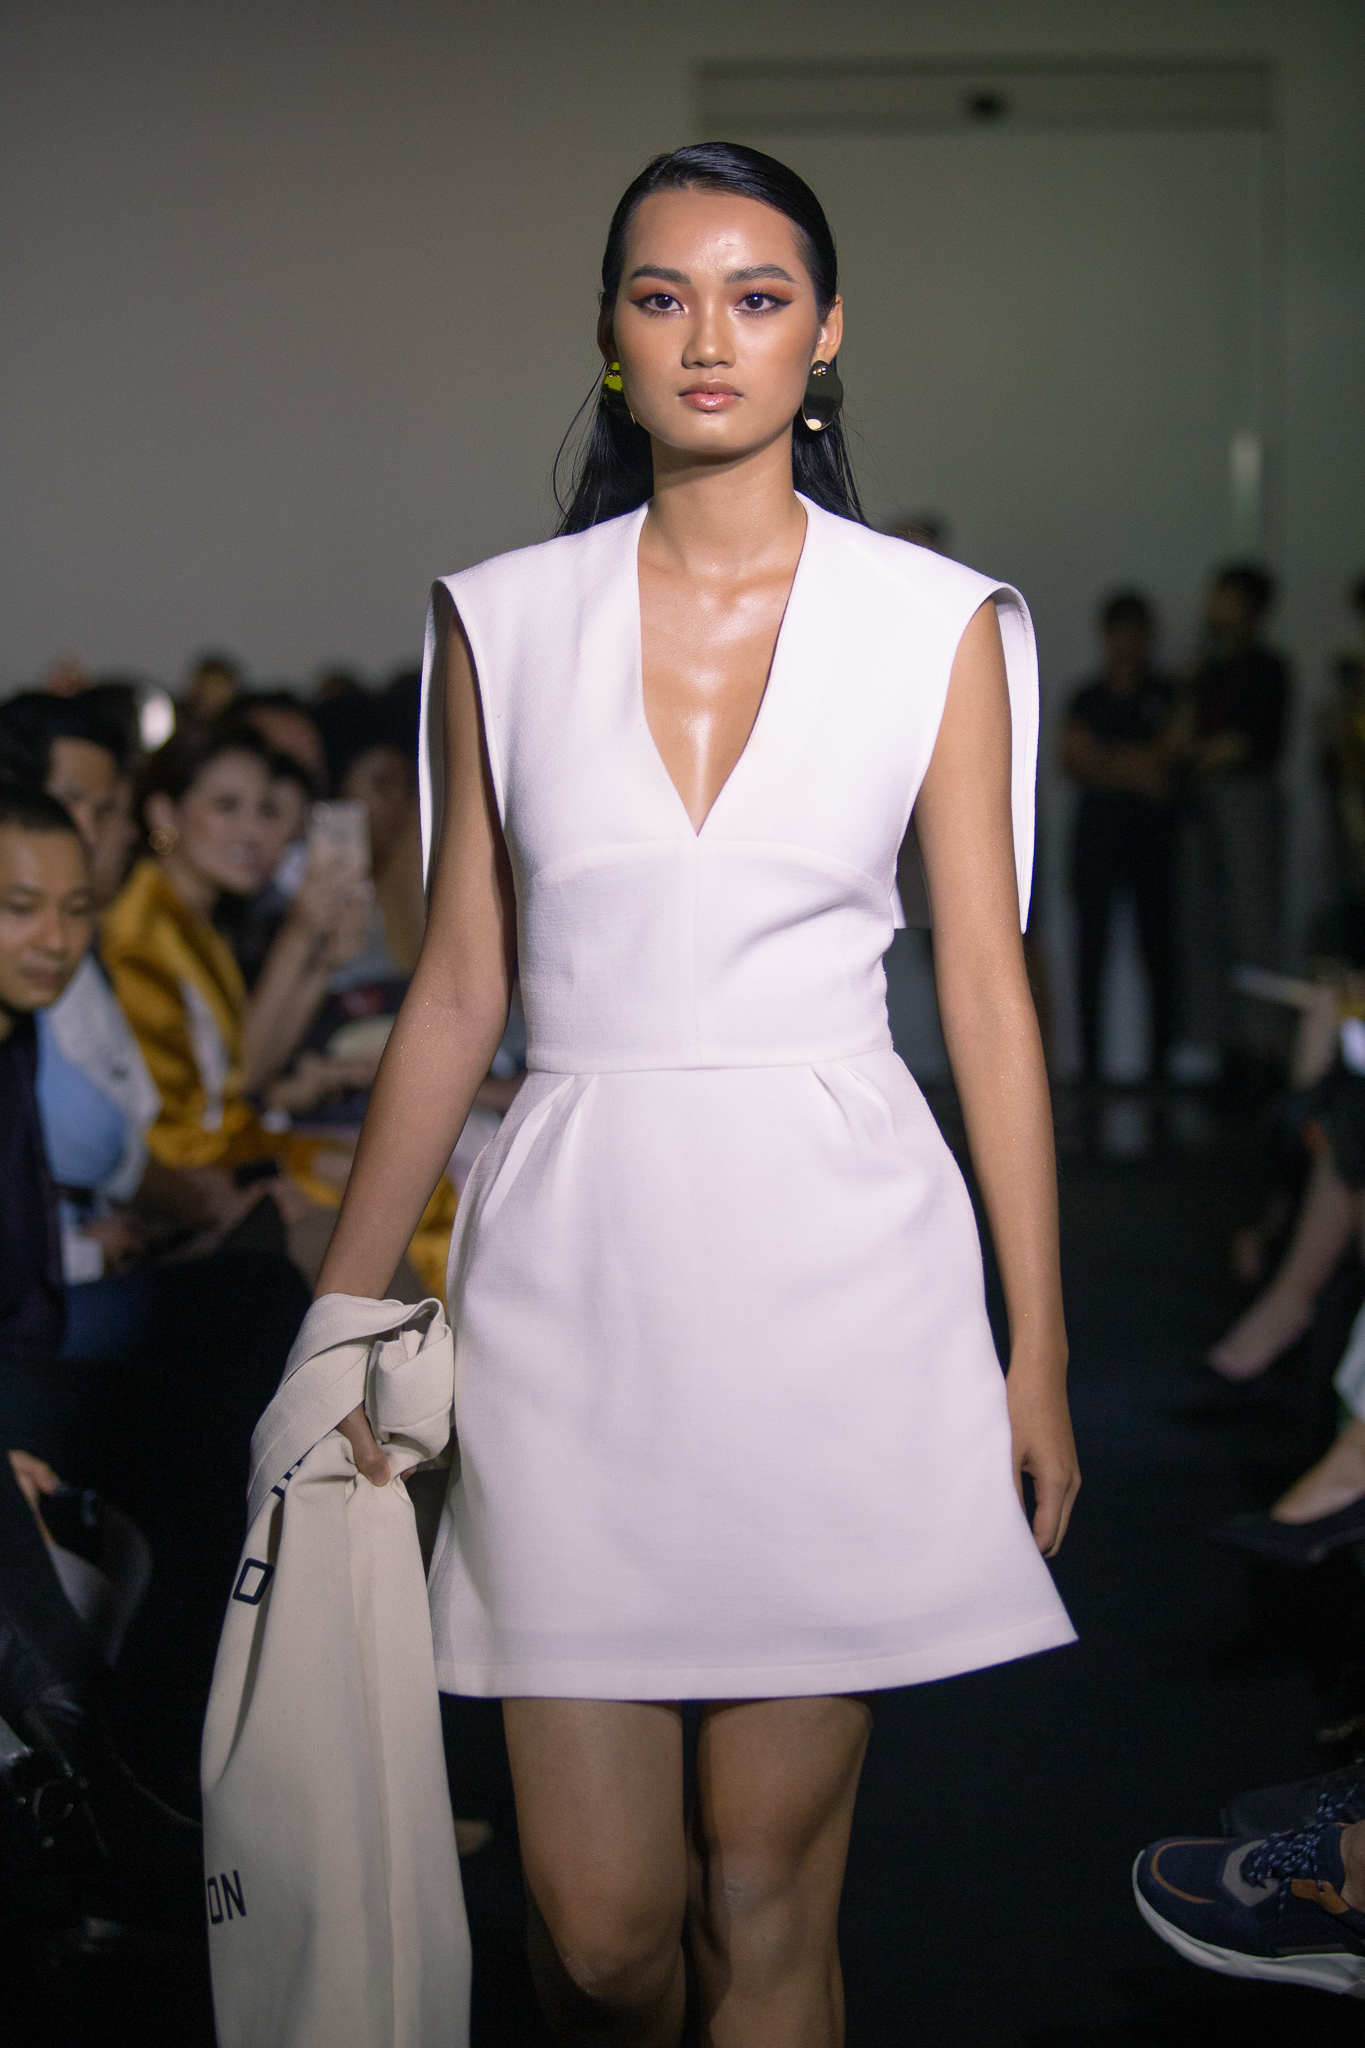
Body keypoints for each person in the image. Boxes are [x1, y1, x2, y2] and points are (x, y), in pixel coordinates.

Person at [309, 141, 1078, 2044]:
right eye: (664, 297)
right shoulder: (501, 619)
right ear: (610, 335)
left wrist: (1037, 1346)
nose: (709, 337)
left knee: (763, 1893)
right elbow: (461, 990)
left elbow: (987, 994)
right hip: (574, 1278)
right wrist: (338, 1315)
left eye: (756, 296)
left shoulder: (935, 623)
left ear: (826, 334)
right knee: (598, 1934)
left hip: (845, 1276)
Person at [0, 785, 200, 1911]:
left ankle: (155, 1763)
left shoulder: (19, 1037)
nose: (56, 937)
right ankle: (91, 1788)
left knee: (217, 1402)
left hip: (24, 1359)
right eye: (20, 906)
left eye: (77, 908)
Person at [1060, 591, 1178, 1088]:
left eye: (1137, 633)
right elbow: (1073, 759)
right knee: (1092, 952)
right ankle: (1090, 1070)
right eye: (1121, 632)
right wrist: (1139, 768)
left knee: (1159, 952)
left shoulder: (1166, 693)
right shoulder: (1087, 696)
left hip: (1152, 841)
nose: (1128, 643)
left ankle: (1159, 1072)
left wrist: (1106, 763)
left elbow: (1174, 754)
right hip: (1097, 839)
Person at [1181, 563, 1291, 1074]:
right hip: (1202, 805)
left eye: (1225, 596)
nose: (1213, 606)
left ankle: (1264, 1050)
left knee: (1253, 925)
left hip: (1246, 802)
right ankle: (1224, 1050)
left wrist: (1203, 754)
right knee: (1206, 926)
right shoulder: (1205, 668)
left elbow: (1249, 742)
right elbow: (1183, 738)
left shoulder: (1268, 668)